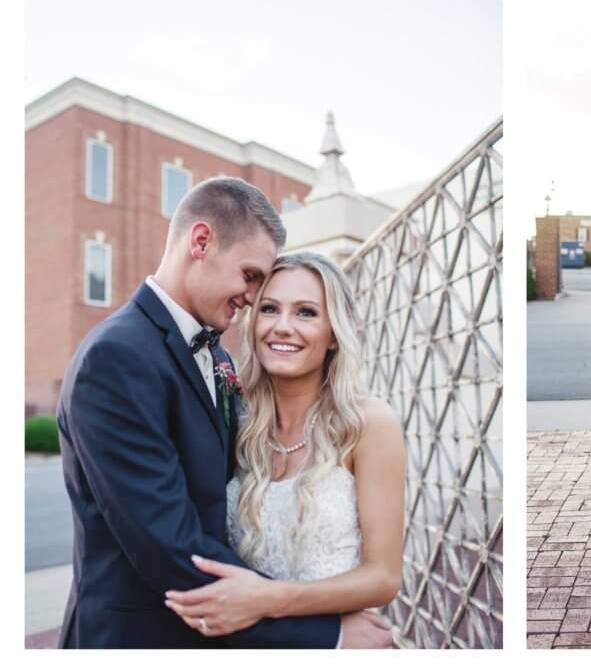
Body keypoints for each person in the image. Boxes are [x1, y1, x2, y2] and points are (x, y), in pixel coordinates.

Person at [57, 177, 392, 648]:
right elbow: (169, 546)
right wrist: (327, 634)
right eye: (253, 277)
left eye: (306, 312)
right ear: (200, 241)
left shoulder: (218, 361)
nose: (254, 300)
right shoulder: (116, 357)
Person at [163, 252, 405, 646]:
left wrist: (266, 599)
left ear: (333, 334)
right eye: (270, 309)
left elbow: (383, 578)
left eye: (306, 312)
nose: (283, 327)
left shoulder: (368, 423)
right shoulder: (233, 421)